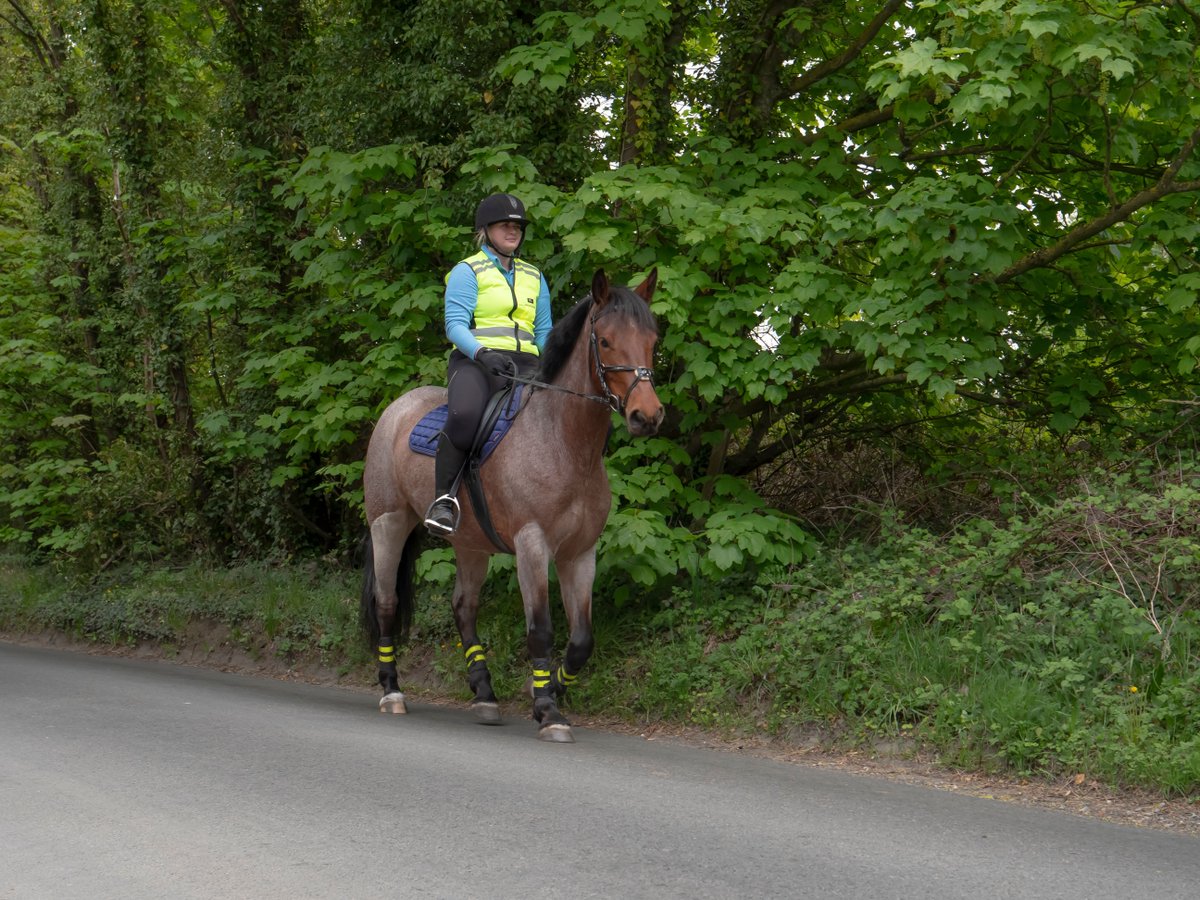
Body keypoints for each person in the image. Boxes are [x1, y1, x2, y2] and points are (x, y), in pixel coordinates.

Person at [424, 192, 553, 535]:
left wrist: (551, 362)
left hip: (526, 365)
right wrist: (482, 353)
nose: (513, 231)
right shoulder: (468, 271)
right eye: (505, 225)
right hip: (477, 363)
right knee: (464, 414)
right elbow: (454, 325)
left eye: (518, 226)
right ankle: (444, 500)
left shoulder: (533, 276)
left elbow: (544, 331)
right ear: (487, 229)